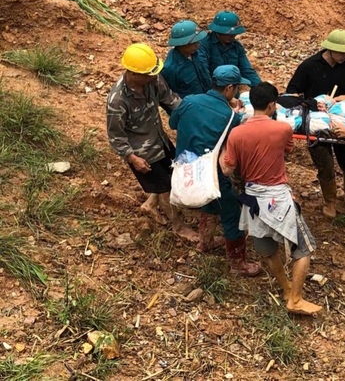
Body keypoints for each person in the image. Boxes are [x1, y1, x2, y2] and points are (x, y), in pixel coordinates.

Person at [221, 83, 321, 315]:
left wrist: (220, 157)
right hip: (277, 197)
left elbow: (228, 169)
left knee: (268, 249)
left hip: (252, 198)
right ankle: (295, 299)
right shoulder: (282, 128)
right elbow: (289, 151)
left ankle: (286, 289)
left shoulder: (237, 133)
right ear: (271, 105)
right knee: (303, 249)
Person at [169, 65, 261, 276]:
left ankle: (205, 242)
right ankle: (238, 264)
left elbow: (173, 124)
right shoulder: (231, 118)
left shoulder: (190, 101)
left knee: (209, 201)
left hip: (186, 166)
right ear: (229, 88)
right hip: (212, 172)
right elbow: (232, 148)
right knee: (231, 214)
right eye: (237, 88)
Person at [106, 43, 197, 242]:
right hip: (142, 153)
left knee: (172, 176)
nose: (154, 76)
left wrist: (193, 116)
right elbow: (116, 136)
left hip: (160, 140)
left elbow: (171, 101)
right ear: (133, 74)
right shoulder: (118, 100)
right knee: (165, 190)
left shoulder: (153, 80)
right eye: (149, 74)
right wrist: (132, 158)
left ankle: (149, 205)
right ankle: (178, 226)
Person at [286, 29, 345, 219]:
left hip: (340, 120)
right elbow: (292, 93)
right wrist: (312, 103)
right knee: (325, 164)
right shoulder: (309, 66)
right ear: (330, 49)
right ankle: (329, 201)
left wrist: (338, 104)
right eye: (342, 53)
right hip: (316, 123)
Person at [197, 11, 262, 88]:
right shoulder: (204, 45)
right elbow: (203, 72)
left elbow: (247, 70)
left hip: (231, 90)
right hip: (212, 90)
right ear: (218, 31)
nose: (232, 36)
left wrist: (261, 89)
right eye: (228, 34)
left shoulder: (236, 47)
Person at [161, 20, 210, 97]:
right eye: (193, 43)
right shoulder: (170, 69)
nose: (197, 45)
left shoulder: (197, 54)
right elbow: (169, 97)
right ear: (181, 44)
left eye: (197, 42)